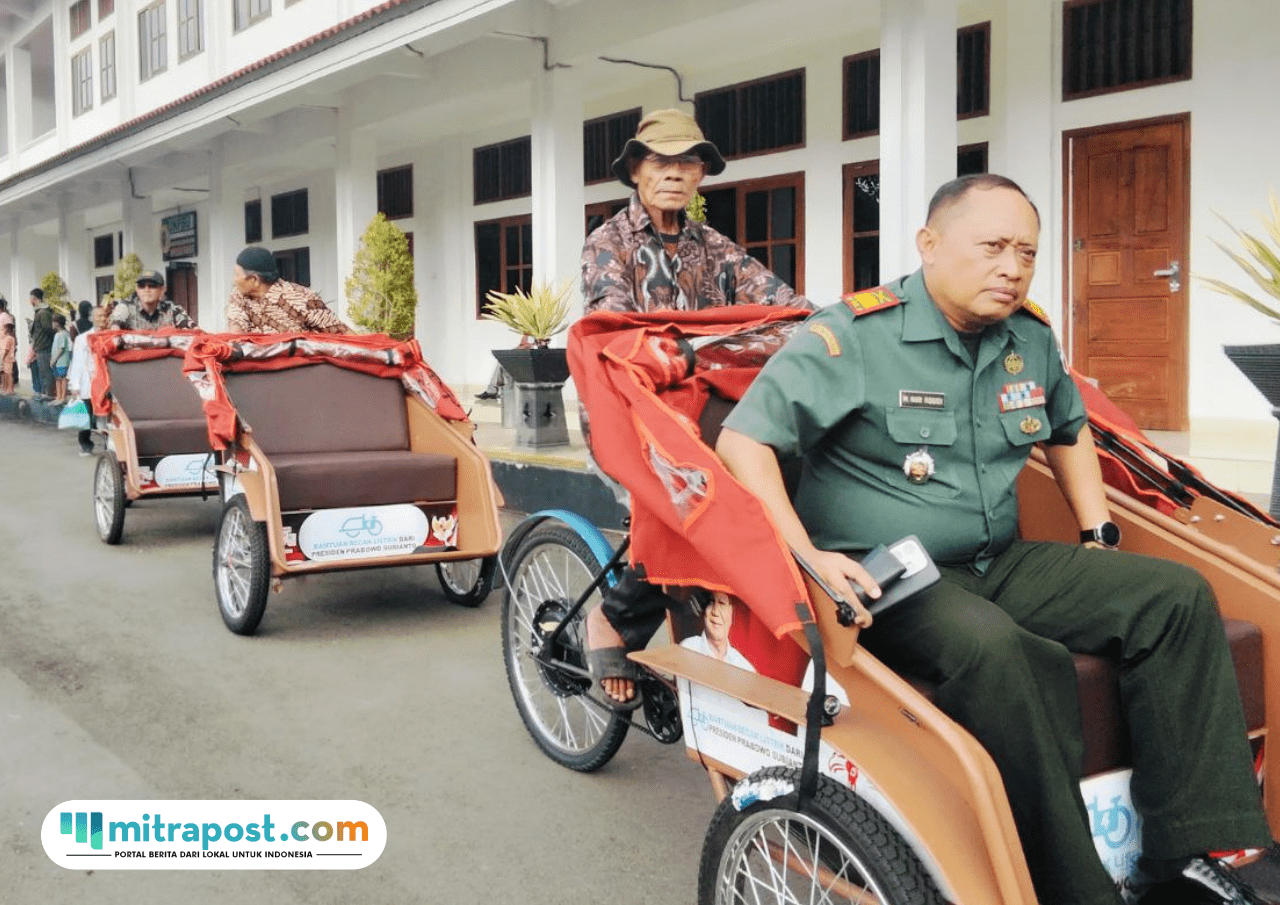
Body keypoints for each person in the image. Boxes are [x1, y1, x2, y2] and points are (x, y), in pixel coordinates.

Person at [715, 173, 1280, 905]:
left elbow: (1069, 428)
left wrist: (1095, 530)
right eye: (992, 247)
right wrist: (807, 552)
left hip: (1001, 560)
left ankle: (1197, 849)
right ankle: (1075, 886)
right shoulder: (852, 336)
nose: (1012, 267)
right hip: (892, 577)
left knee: (1173, 596)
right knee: (1000, 652)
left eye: (1027, 252)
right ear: (929, 244)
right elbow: (744, 441)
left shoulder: (1030, 337)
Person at [579, 108, 814, 707]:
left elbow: (779, 297)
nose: (676, 174)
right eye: (661, 161)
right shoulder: (607, 243)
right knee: (684, 489)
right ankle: (617, 618)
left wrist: (818, 320)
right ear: (636, 169)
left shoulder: (714, 245)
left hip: (701, 401)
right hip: (625, 403)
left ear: (701, 175)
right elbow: (617, 329)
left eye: (689, 163)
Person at [227, 246, 350, 334]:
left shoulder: (302, 298)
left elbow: (341, 332)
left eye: (236, 275)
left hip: (300, 366)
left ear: (254, 279)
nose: (233, 280)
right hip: (257, 366)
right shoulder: (238, 296)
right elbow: (236, 333)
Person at [67, 305, 110, 455]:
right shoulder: (82, 339)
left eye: (104, 316)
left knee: (107, 417)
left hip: (108, 382)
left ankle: (109, 446)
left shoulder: (111, 336)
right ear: (92, 318)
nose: (102, 319)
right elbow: (78, 362)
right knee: (87, 416)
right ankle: (85, 443)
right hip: (89, 382)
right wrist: (75, 384)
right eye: (98, 316)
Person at [678, 590, 754, 671]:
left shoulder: (744, 668)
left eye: (722, 603)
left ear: (733, 613)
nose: (715, 612)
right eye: (711, 602)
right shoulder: (687, 650)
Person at [110, 270, 194, 331]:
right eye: (142, 286)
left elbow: (193, 328)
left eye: (152, 286)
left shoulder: (172, 309)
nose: (147, 289)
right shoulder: (125, 308)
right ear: (137, 290)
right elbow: (114, 328)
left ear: (163, 290)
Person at [28, 288, 54, 399]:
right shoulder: (39, 312)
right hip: (40, 346)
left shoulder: (43, 312)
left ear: (34, 298)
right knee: (42, 372)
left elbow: (48, 329)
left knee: (45, 372)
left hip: (44, 346)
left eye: (30, 299)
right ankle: (44, 393)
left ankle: (48, 394)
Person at [50, 313, 72, 403]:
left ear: (58, 323)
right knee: (57, 378)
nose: (52, 323)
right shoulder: (57, 334)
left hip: (62, 361)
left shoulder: (63, 334)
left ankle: (63, 396)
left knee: (63, 378)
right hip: (56, 361)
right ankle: (58, 396)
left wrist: (54, 359)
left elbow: (61, 349)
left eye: (54, 321)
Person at [0, 322, 15, 394]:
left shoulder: (9, 338)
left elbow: (7, 349)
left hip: (8, 358)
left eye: (4, 329)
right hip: (7, 359)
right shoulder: (8, 338)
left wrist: (3, 357)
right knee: (6, 374)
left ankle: (10, 389)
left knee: (9, 374)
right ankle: (7, 388)